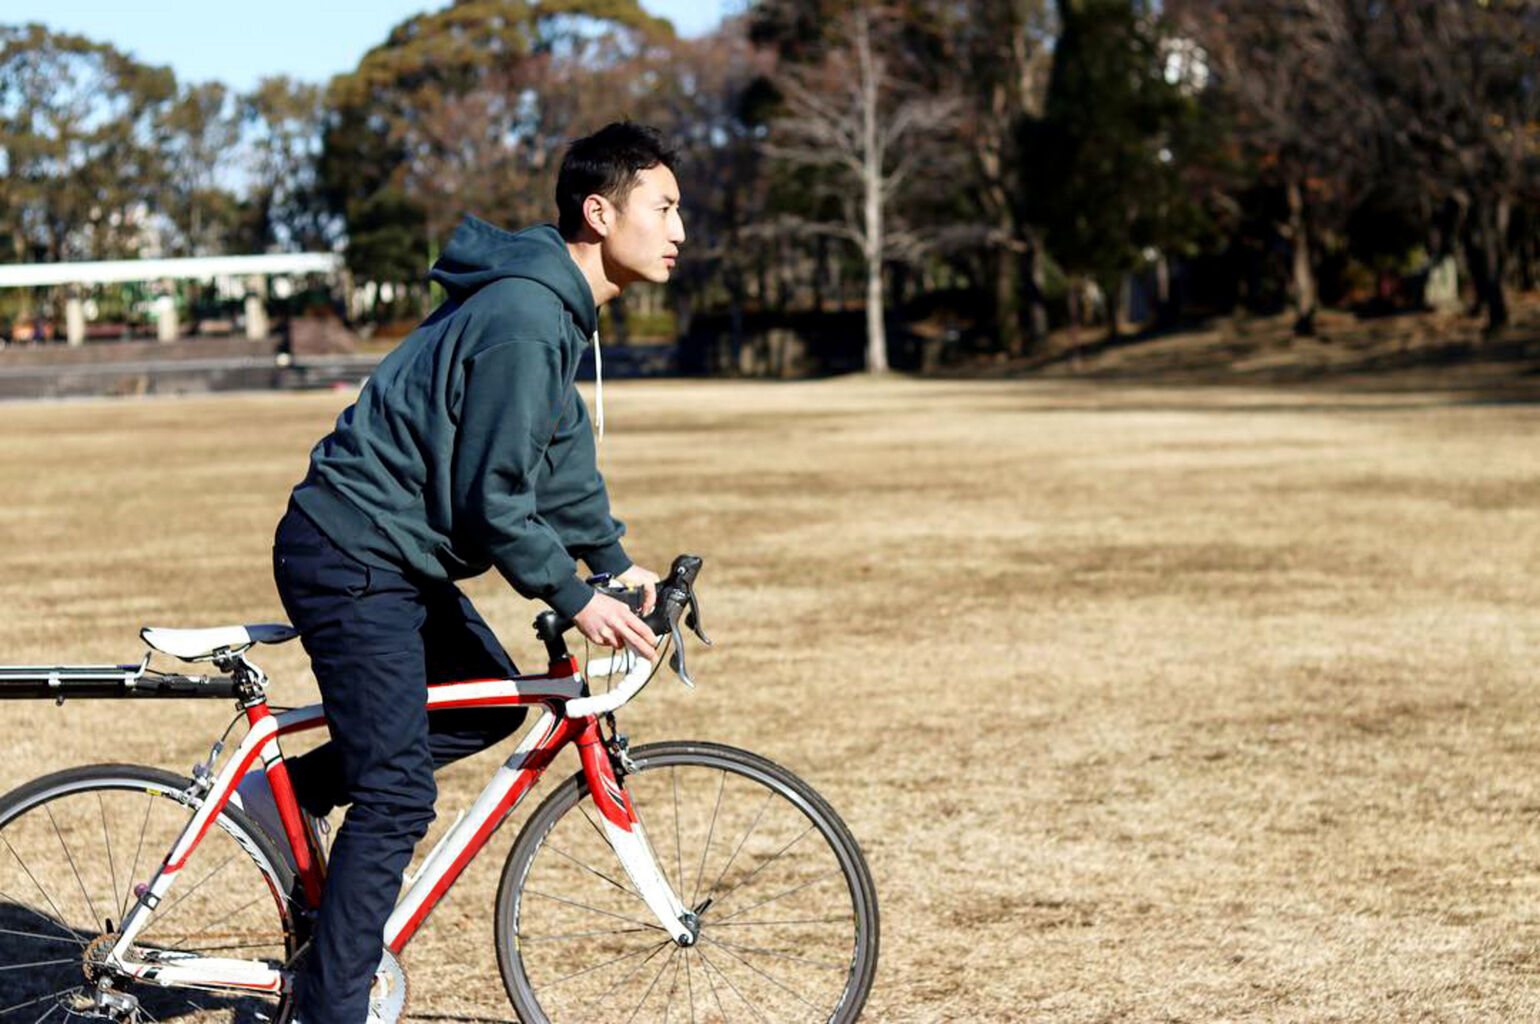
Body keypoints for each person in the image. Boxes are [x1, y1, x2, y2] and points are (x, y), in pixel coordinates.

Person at [249, 121, 685, 1023]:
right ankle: (331, 1009)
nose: (681, 230)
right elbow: (493, 496)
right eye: (666, 207)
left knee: (487, 701)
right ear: (600, 214)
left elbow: (559, 459)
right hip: (352, 550)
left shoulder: (555, 312)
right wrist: (572, 597)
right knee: (398, 790)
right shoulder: (527, 316)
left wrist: (612, 561)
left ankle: (283, 797)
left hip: (389, 554)